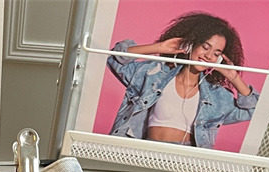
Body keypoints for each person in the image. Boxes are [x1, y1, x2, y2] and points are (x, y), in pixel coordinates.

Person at [106, 12, 259, 148]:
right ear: (191, 44)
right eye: (205, 47)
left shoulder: (217, 96)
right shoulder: (155, 75)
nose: (208, 56)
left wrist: (234, 78)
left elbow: (255, 111)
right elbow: (115, 59)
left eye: (216, 53)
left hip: (186, 159)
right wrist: (159, 47)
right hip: (146, 149)